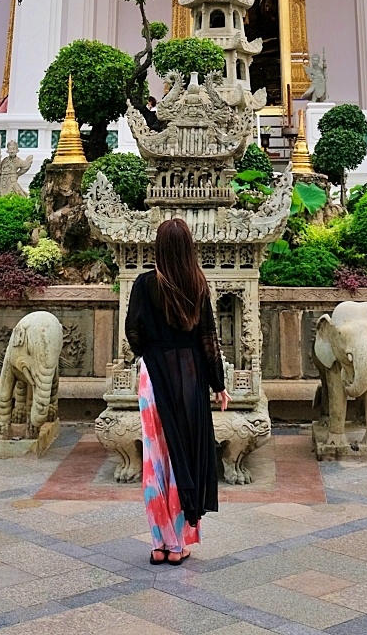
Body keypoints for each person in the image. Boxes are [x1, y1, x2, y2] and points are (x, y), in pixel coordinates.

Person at [125, 218, 228, 565]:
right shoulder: (198, 284)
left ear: (158, 247)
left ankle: (160, 543)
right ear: (188, 249)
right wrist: (219, 385)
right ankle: (179, 542)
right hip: (189, 374)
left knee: (156, 460)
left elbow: (133, 332)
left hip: (153, 375)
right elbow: (208, 338)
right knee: (185, 453)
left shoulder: (143, 284)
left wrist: (152, 353)